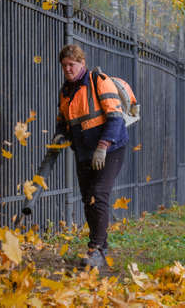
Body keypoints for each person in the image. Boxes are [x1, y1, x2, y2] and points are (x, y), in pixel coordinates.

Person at [53, 44, 129, 268]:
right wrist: (60, 135)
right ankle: (100, 250)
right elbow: (63, 121)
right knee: (88, 199)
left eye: (72, 65)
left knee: (99, 194)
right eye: (64, 65)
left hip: (111, 149)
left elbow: (115, 117)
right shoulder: (65, 91)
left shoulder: (99, 81)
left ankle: (95, 248)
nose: (68, 69)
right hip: (84, 153)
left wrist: (103, 146)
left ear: (82, 64)